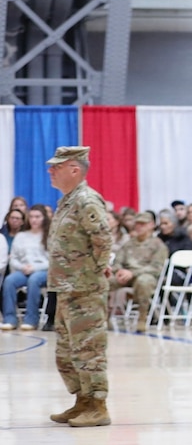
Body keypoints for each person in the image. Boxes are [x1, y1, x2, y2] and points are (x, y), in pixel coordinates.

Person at [45, 146, 116, 427]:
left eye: (56, 167)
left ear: (74, 169)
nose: (51, 171)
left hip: (84, 288)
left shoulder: (86, 200)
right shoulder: (67, 201)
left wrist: (96, 271)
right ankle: (82, 401)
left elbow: (103, 239)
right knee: (67, 350)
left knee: (89, 348)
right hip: (66, 288)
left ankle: (98, 405)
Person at [112, 212, 169, 325]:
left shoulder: (158, 245)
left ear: (151, 225)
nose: (139, 227)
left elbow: (156, 268)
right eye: (137, 224)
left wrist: (133, 273)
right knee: (104, 282)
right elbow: (117, 261)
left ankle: (142, 317)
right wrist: (119, 271)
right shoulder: (128, 244)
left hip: (146, 276)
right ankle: (104, 318)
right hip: (126, 276)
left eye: (143, 224)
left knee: (144, 281)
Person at [2, 205, 50, 332]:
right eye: (32, 217)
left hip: (43, 271)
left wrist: (35, 267)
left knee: (34, 280)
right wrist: (22, 267)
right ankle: (10, 319)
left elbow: (52, 260)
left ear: (44, 218)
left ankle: (31, 320)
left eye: (37, 217)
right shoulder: (21, 236)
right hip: (24, 270)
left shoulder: (49, 236)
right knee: (10, 280)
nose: (34, 220)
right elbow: (13, 259)